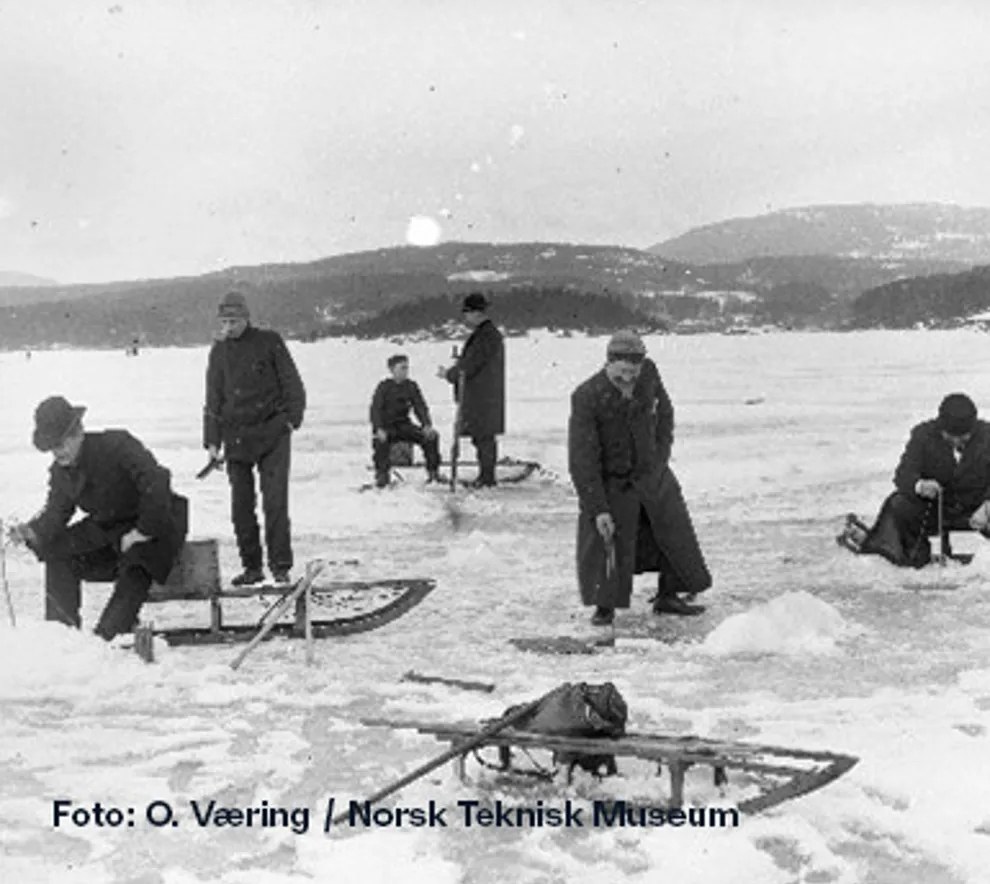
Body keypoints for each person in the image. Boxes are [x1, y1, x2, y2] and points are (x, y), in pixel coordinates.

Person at [7, 396, 188, 640]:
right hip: (111, 531)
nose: (57, 452)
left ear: (78, 433)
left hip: (156, 524)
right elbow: (56, 512)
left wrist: (142, 531)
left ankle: (108, 637)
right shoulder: (62, 471)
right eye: (52, 447)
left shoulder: (117, 445)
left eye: (61, 443)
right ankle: (62, 637)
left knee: (137, 560)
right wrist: (31, 531)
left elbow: (156, 483)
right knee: (57, 550)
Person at [568, 331, 712, 626]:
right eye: (622, 372)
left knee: (673, 534)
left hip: (651, 475)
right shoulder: (587, 396)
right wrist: (598, 507)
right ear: (609, 364)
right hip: (612, 483)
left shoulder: (649, 374)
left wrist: (659, 457)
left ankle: (668, 595)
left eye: (634, 371)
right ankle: (604, 607)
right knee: (606, 542)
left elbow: (666, 414)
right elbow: (582, 459)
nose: (629, 378)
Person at [203, 291, 306, 586]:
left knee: (275, 503)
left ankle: (280, 566)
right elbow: (213, 398)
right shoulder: (218, 351)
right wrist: (212, 442)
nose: (229, 327)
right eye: (224, 321)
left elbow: (292, 385)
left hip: (273, 434)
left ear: (247, 318)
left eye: (234, 320)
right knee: (241, 507)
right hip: (237, 438)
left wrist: (289, 421)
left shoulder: (270, 341)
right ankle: (252, 567)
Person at [852, 393, 990, 567]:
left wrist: (987, 505)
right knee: (898, 503)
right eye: (950, 436)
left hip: (977, 511)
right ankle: (901, 554)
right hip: (935, 511)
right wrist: (919, 485)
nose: (956, 442)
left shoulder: (988, 436)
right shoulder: (923, 435)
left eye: (963, 438)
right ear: (941, 428)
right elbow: (903, 474)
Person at [436, 293, 505, 488]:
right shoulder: (486, 333)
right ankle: (486, 475)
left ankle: (487, 477)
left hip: (482, 395)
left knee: (483, 436)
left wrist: (450, 374)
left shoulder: (486, 335)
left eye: (466, 313)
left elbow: (471, 365)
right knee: (482, 436)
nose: (465, 318)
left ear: (475, 313)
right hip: (483, 394)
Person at [370, 354, 441, 487]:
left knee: (431, 437)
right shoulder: (384, 387)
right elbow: (375, 410)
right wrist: (378, 428)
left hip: (404, 425)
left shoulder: (411, 386)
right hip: (388, 427)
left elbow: (420, 407)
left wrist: (426, 425)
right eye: (402, 368)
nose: (405, 372)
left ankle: (433, 473)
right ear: (392, 370)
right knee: (380, 441)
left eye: (407, 368)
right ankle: (382, 476)